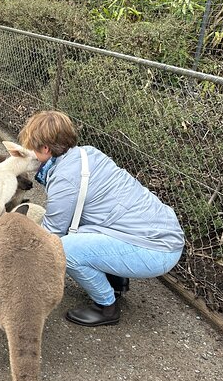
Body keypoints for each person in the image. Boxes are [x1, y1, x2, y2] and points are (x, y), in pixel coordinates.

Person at [18, 110, 185, 326]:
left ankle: (106, 306)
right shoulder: (87, 153)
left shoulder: (64, 179)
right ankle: (117, 280)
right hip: (161, 234)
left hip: (157, 250)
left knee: (63, 248)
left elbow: (52, 235)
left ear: (45, 149)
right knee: (81, 225)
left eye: (32, 148)